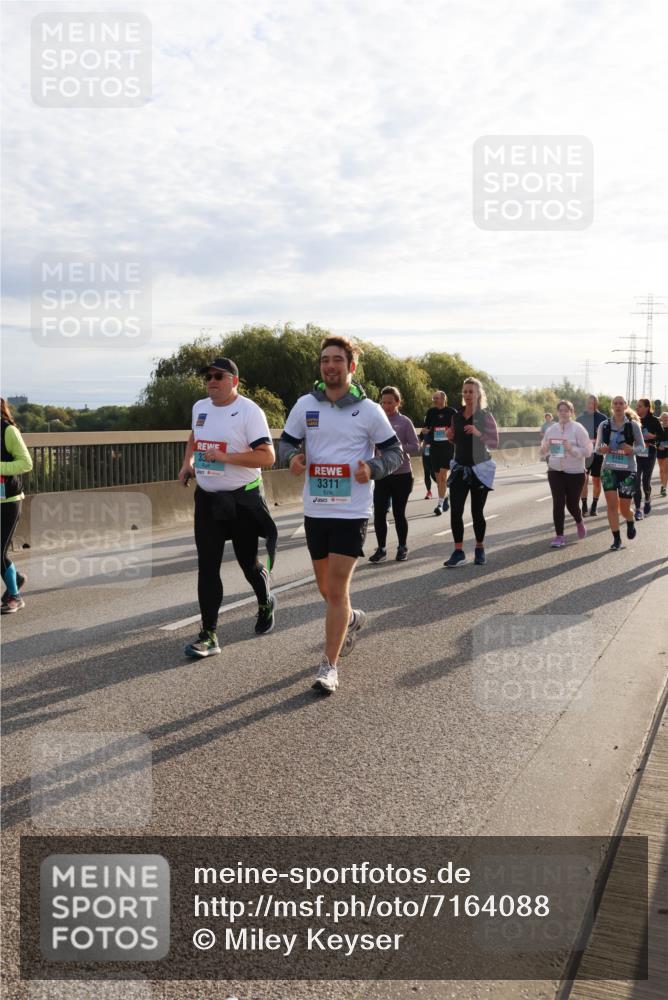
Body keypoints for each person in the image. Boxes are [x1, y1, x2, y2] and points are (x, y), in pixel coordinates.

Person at [279, 336, 402, 693]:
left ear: (351, 366)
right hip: (316, 507)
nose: (330, 366)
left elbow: (395, 453)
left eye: (337, 360)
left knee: (336, 589)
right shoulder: (305, 405)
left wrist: (374, 467)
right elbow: (286, 441)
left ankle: (328, 666)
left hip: (352, 510)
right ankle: (350, 618)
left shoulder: (368, 410)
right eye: (324, 360)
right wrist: (292, 458)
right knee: (324, 588)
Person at [178, 357, 278, 657]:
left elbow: (267, 457)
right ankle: (208, 634)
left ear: (234, 380)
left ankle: (265, 601)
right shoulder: (200, 407)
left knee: (248, 564)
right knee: (207, 566)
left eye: (218, 376)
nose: (211, 380)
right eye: (207, 376)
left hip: (242, 498)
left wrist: (227, 458)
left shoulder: (249, 411)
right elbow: (195, 436)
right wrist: (188, 463)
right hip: (208, 499)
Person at [442, 377, 499, 567]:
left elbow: (495, 443)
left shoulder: (485, 416)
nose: (467, 395)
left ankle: (479, 548)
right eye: (464, 391)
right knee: (455, 511)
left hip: (480, 469)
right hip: (459, 468)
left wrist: (478, 433)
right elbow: (456, 440)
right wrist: (450, 437)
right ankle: (458, 551)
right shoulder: (456, 416)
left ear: (478, 394)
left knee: (477, 512)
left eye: (471, 391)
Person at [368, 386, 420, 563]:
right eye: (383, 402)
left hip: (402, 474)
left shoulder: (404, 422)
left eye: (390, 402)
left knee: (399, 513)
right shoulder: (375, 421)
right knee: (379, 513)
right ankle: (381, 549)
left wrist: (395, 449)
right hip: (381, 475)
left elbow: (415, 445)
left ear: (397, 402)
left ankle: (402, 547)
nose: (386, 406)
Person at [594, 396, 645, 551]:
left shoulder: (633, 426)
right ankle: (616, 539)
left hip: (628, 470)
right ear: (612, 406)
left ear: (625, 406)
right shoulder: (604, 425)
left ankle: (630, 520)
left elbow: (641, 446)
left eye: (620, 403)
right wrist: (601, 449)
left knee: (624, 509)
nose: (618, 406)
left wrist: (632, 450)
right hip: (609, 468)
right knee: (611, 506)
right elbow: (597, 448)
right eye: (615, 403)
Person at [540, 400, 592, 547]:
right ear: (557, 413)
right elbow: (542, 450)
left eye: (566, 410)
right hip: (555, 471)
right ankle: (559, 536)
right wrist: (545, 449)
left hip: (575, 473)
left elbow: (588, 451)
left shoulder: (578, 428)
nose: (563, 413)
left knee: (572, 504)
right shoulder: (551, 429)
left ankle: (579, 520)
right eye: (560, 410)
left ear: (571, 412)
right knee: (558, 503)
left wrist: (571, 449)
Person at [1, 398, 32, 613]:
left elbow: (26, 463)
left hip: (8, 501)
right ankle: (17, 578)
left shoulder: (8, 431)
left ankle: (15, 597)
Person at [422, 390, 456, 515]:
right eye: (433, 398)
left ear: (443, 398)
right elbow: (426, 427)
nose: (434, 400)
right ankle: (444, 496)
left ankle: (440, 504)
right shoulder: (431, 412)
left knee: (442, 475)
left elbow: (457, 427)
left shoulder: (451, 412)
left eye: (436, 398)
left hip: (447, 447)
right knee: (438, 478)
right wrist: (425, 432)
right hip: (434, 448)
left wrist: (452, 433)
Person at [576, 394, 607, 516]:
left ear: (596, 404)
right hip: (584, 454)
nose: (591, 404)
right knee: (584, 479)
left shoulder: (603, 418)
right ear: (586, 403)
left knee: (596, 480)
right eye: (589, 402)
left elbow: (607, 436)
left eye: (593, 402)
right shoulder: (580, 419)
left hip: (598, 454)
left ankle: (594, 505)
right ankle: (584, 505)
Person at [633, 397, 662, 518]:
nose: (637, 408)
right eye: (637, 406)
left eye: (640, 406)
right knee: (635, 480)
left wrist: (653, 436)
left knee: (645, 481)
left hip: (649, 453)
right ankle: (638, 509)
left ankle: (648, 498)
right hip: (636, 454)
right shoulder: (633, 420)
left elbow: (662, 435)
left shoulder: (654, 420)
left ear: (647, 407)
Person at [656, 412, 668, 497]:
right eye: (664, 417)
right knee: (661, 470)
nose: (665, 419)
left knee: (665, 469)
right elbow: (654, 439)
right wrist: (658, 445)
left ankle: (664, 488)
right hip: (660, 450)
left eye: (667, 417)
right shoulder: (658, 427)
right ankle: (662, 485)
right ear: (661, 418)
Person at [419, 431, 433, 499]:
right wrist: (420, 446)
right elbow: (419, 440)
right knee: (427, 473)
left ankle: (442, 488)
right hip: (426, 455)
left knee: (434, 474)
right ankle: (429, 492)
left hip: (436, 454)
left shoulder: (437, 426)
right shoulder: (424, 429)